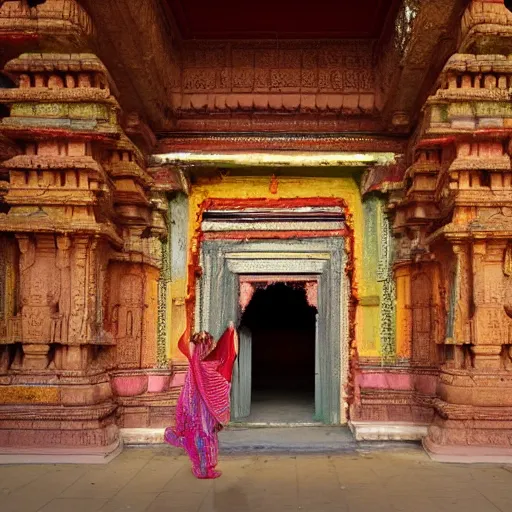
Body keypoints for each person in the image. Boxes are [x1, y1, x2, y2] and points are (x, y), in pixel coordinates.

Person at [164, 322, 238, 479]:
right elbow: (230, 356)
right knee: (206, 436)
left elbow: (189, 345)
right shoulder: (211, 365)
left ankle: (199, 466)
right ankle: (206, 468)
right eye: (209, 344)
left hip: (190, 404)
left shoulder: (194, 364)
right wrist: (231, 333)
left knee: (195, 434)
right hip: (205, 408)